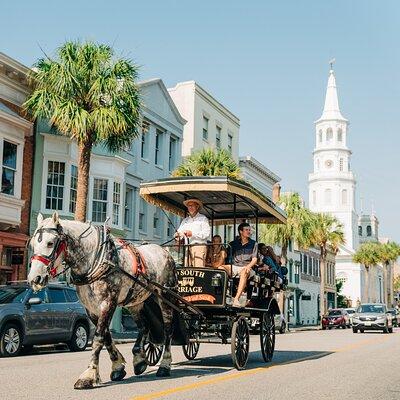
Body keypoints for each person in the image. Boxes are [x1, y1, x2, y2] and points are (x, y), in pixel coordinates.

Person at [219, 222, 258, 307]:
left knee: (244, 271)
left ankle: (236, 299)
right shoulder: (233, 243)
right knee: (220, 268)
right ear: (241, 231)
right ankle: (221, 296)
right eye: (246, 230)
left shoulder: (254, 243)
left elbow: (254, 259)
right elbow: (226, 255)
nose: (249, 232)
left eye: (249, 230)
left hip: (247, 267)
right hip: (235, 266)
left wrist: (248, 267)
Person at [175, 198, 211, 267]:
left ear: (197, 207)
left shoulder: (203, 219)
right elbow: (180, 232)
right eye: (189, 206)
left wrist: (192, 234)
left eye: (192, 206)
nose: (190, 207)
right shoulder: (185, 220)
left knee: (198, 270)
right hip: (186, 248)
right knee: (186, 270)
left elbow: (206, 234)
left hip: (198, 247)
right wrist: (177, 235)